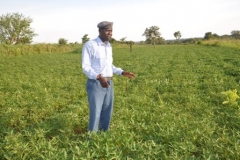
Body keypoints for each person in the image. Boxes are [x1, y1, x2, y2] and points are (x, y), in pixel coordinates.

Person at [82, 21, 136, 132]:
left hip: (109, 82)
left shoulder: (108, 46)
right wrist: (99, 77)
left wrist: (121, 72)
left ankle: (103, 136)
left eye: (111, 31)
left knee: (107, 112)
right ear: (100, 31)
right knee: (96, 112)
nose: (110, 33)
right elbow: (86, 67)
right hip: (96, 83)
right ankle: (91, 139)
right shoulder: (90, 45)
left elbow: (108, 66)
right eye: (107, 31)